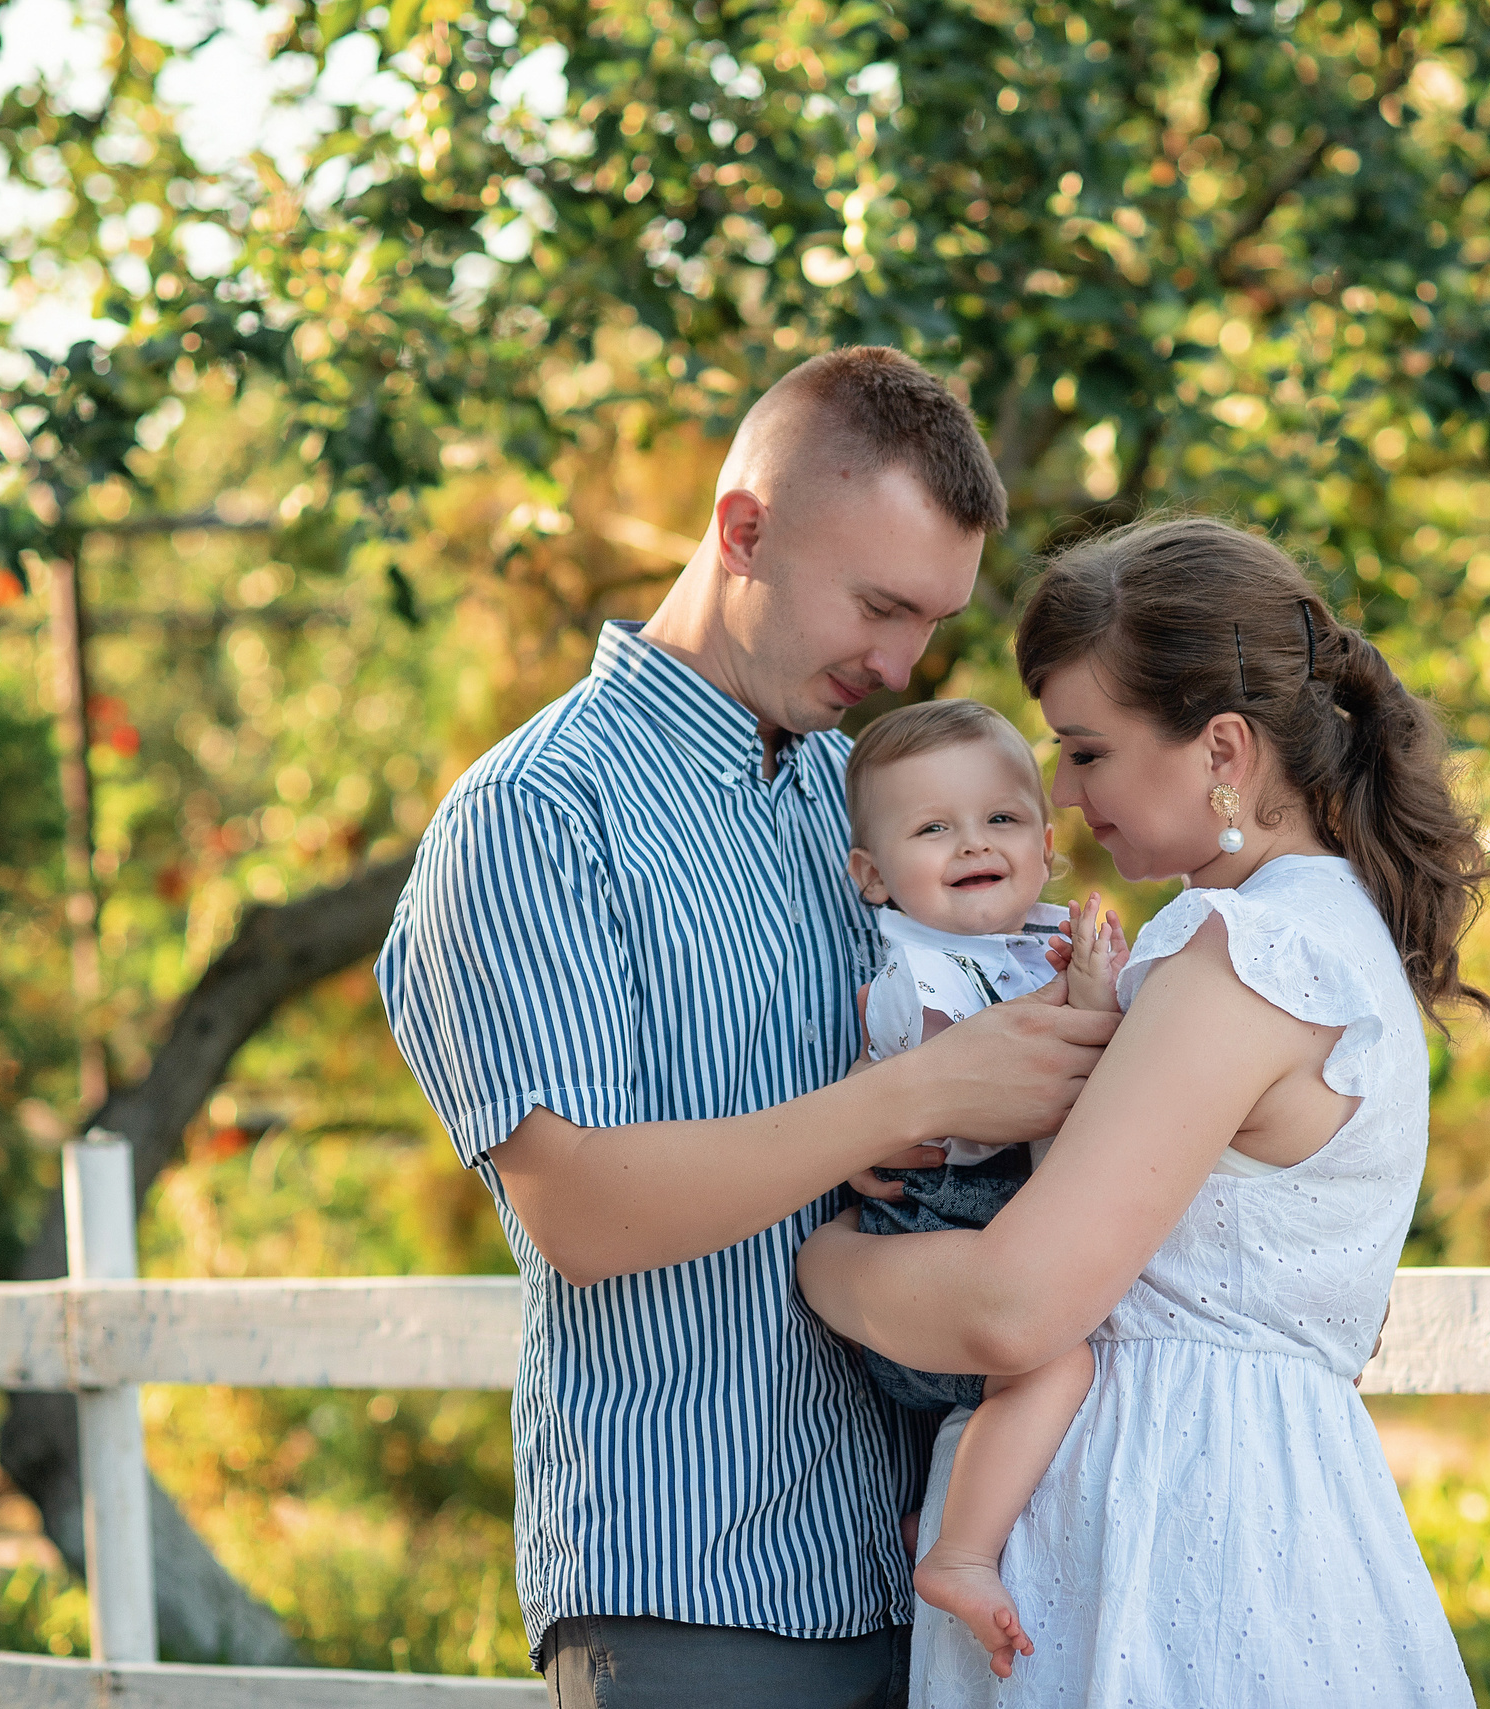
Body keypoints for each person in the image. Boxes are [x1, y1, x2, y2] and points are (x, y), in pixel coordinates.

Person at [375, 347, 1119, 1709]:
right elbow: (579, 1212)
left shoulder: (872, 802)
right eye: (881, 605)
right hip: (695, 1590)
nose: (902, 662)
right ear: (743, 530)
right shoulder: (540, 815)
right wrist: (906, 1101)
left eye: (931, 624)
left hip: (927, 1567)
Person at [797, 514, 1490, 1705]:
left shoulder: (1246, 951)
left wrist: (819, 1257)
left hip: (1173, 1517)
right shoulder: (1331, 939)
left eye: (1085, 749)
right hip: (1257, 1496)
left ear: (1221, 747)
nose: (1060, 795)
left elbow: (1014, 1303)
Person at [838, 699, 1128, 1677]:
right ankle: (959, 1554)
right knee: (1058, 1363)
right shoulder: (911, 974)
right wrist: (1086, 1000)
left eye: (1000, 819)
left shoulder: (1034, 943)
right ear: (873, 875)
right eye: (933, 828)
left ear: (1048, 845)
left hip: (977, 1230)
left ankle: (946, 1509)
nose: (973, 842)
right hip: (935, 1228)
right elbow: (995, 1081)